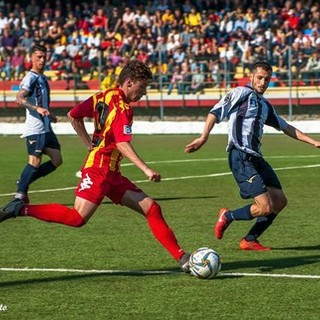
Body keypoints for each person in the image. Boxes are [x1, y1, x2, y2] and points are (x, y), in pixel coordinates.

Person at [0, 60, 190, 273]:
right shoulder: (123, 108)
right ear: (129, 82)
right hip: (99, 171)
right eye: (142, 86)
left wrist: (88, 144)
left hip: (111, 173)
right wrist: (145, 169)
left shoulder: (105, 95)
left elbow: (73, 115)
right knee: (77, 218)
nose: (144, 92)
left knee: (152, 208)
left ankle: (182, 258)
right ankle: (20, 209)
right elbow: (121, 142)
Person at [184, 61, 320, 251]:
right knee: (264, 207)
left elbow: (286, 127)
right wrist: (203, 137)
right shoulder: (241, 93)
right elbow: (215, 111)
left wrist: (313, 141)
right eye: (260, 78)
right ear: (251, 78)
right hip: (240, 155)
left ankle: (250, 239)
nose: (263, 82)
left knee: (280, 201)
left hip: (256, 157)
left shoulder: (265, 105)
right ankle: (227, 216)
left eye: (267, 79)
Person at [14, 44, 63, 203]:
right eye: (39, 57)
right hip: (35, 129)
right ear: (31, 58)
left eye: (44, 57)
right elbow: (20, 99)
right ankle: (20, 195)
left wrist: (50, 115)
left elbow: (42, 104)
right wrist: (37, 109)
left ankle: (24, 181)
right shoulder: (30, 77)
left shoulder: (42, 77)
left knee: (57, 160)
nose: (42, 60)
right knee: (34, 161)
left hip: (46, 128)